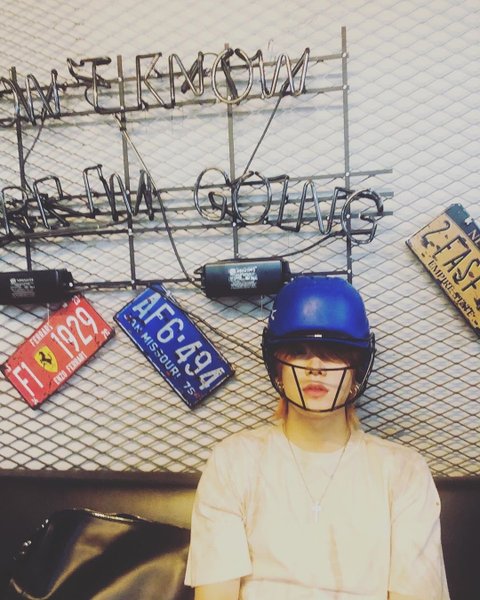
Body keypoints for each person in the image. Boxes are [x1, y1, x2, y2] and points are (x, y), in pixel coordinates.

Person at [185, 276, 450, 600]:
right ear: (278, 368)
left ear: (356, 370)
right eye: (298, 351)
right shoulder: (233, 462)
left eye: (333, 352)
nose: (315, 366)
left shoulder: (404, 471)